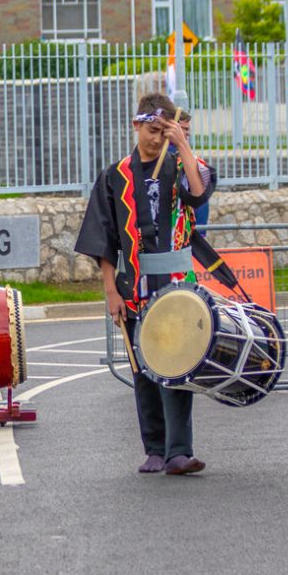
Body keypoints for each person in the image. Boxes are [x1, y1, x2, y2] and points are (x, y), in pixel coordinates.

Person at [75, 93, 213, 475]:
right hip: (134, 283)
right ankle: (154, 448)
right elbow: (104, 238)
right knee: (143, 368)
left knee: (177, 366)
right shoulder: (115, 175)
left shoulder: (181, 165)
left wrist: (181, 143)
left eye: (162, 132)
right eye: (151, 130)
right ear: (136, 126)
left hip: (176, 286)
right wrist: (110, 291)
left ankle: (179, 451)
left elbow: (198, 192)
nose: (155, 139)